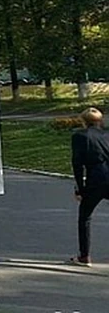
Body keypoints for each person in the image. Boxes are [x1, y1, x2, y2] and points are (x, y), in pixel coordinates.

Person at [69, 107, 109, 267]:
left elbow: (77, 164)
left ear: (84, 121)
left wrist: (79, 188)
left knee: (85, 217)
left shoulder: (79, 136)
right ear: (100, 120)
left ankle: (84, 256)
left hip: (96, 180)